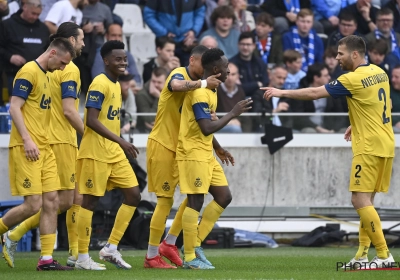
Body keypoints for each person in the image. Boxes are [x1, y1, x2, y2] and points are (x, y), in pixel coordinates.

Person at [263, 35, 395, 268]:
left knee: (359, 199)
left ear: (355, 54)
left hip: (368, 147)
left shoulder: (352, 78)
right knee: (367, 202)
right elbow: (378, 103)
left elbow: (314, 93)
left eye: (341, 53)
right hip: (385, 142)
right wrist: (357, 122)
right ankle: (363, 257)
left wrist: (281, 92)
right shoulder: (380, 72)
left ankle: (384, 256)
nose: (337, 57)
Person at [2, 22, 85, 268]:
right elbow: (14, 107)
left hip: (46, 148)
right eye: (62, 63)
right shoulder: (28, 71)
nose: (63, 68)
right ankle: (5, 232)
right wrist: (27, 139)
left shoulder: (49, 76)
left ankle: (46, 258)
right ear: (52, 53)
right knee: (33, 205)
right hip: (27, 147)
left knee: (52, 201)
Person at [144, 45, 222, 269]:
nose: (206, 68)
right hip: (164, 145)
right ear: (193, 60)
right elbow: (175, 86)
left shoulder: (204, 90)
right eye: (203, 64)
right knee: (165, 201)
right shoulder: (179, 73)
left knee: (193, 195)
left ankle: (169, 244)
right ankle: (151, 256)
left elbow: (201, 123)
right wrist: (205, 83)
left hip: (184, 147)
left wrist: (217, 146)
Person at [178, 48, 252, 269]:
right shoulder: (200, 93)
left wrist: (218, 148)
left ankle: (194, 242)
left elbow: (205, 127)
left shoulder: (212, 89)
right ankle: (190, 256)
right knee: (195, 202)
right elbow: (206, 126)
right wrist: (232, 113)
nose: (230, 70)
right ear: (216, 69)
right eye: (227, 67)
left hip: (206, 153)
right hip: (192, 153)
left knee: (224, 196)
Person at [74, 40, 141, 270]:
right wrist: (121, 140)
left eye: (124, 59)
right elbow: (91, 120)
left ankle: (111, 248)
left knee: (134, 196)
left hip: (114, 153)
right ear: (106, 61)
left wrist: (119, 143)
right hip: (95, 153)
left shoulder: (116, 85)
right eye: (118, 59)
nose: (123, 62)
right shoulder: (99, 83)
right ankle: (82, 257)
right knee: (89, 203)